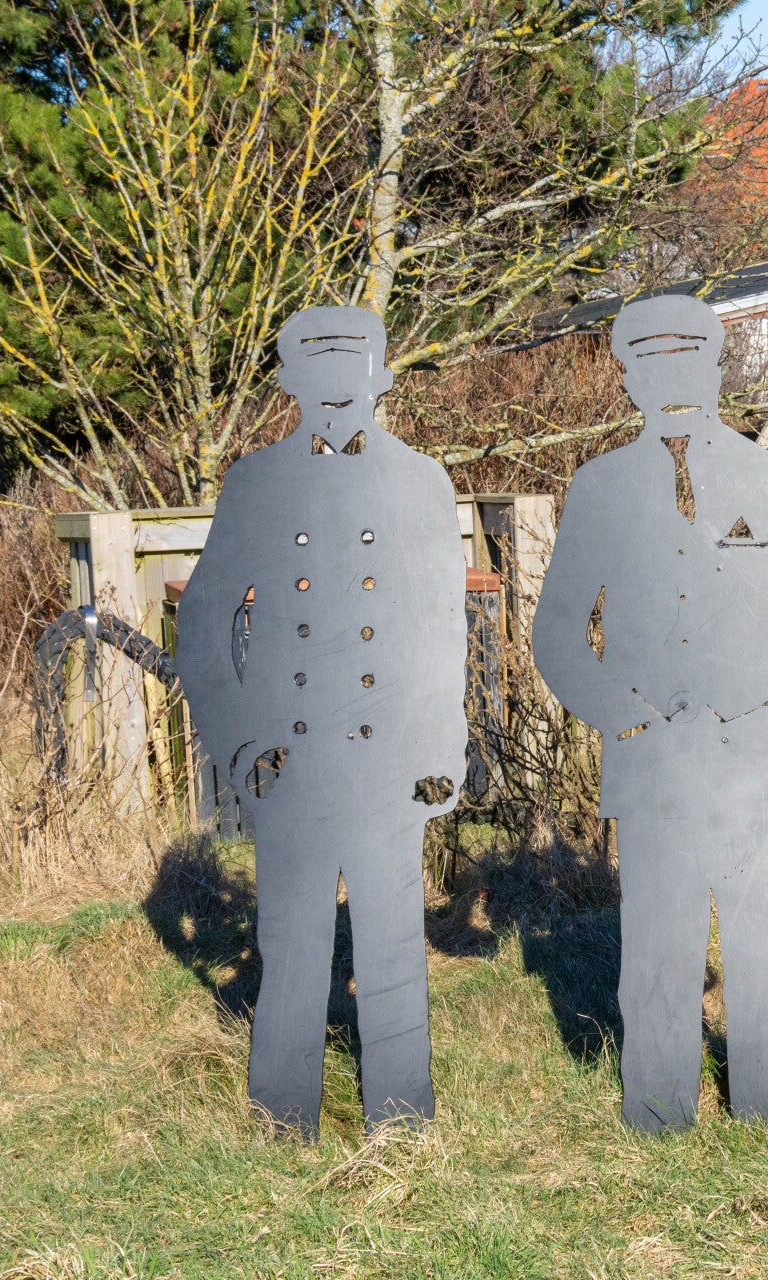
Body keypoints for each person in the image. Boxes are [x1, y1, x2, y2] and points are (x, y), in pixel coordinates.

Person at [532, 294, 768, 1132]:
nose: (670, 378)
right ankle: (659, 1113)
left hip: (757, 761)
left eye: (688, 359)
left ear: (715, 368)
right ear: (628, 378)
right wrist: (620, 715)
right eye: (649, 363)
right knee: (659, 951)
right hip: (654, 765)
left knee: (767, 944)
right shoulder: (601, 488)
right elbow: (556, 632)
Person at [176, 306, 467, 1138]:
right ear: (291, 383)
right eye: (318, 369)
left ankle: (402, 1128)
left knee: (392, 944)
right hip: (292, 762)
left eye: (352, 368)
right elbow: (204, 620)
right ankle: (281, 1121)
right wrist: (239, 741)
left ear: (379, 379)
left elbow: (440, 627)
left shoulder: (420, 480)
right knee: (293, 945)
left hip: (387, 760)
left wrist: (440, 747)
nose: (337, 391)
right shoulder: (257, 482)